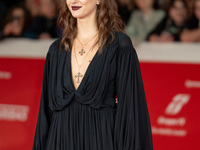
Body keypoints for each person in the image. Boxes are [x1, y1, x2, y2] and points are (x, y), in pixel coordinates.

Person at [32, 0, 153, 149]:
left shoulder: (120, 46)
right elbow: (46, 113)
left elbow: (131, 111)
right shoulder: (56, 50)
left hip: (101, 140)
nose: (73, 1)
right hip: (60, 141)